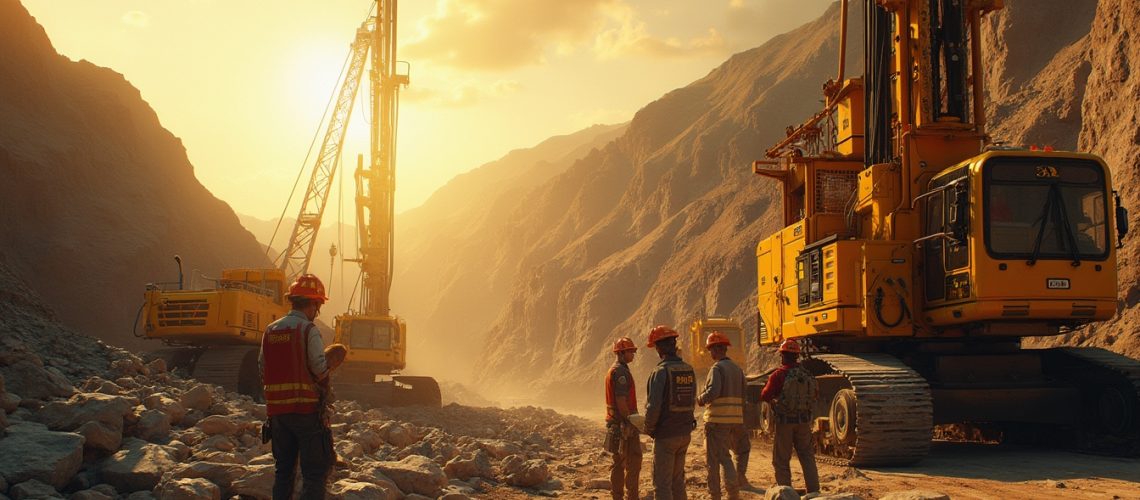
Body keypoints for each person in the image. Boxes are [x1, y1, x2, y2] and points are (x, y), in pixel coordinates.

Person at [259, 274, 334, 500]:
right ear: (313, 304)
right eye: (317, 305)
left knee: (283, 472)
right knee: (314, 473)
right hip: (306, 412)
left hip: (278, 416)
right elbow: (319, 369)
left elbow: (262, 368)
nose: (317, 310)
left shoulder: (270, 331)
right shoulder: (307, 330)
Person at [759, 339, 819, 498]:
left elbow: (765, 395)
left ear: (782, 356)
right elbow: (815, 394)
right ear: (797, 356)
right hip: (804, 422)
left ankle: (786, 493)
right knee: (807, 456)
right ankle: (814, 492)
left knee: (781, 460)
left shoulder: (778, 374)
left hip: (785, 422)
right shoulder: (807, 374)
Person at [644, 325, 697, 500]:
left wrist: (649, 428)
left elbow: (654, 406)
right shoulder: (688, 369)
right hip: (684, 434)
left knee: (662, 485)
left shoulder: (660, 372)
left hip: (666, 436)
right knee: (677, 482)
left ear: (660, 347)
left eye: (656, 347)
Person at [696, 331, 749, 500]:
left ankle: (717, 495)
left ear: (718, 349)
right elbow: (743, 394)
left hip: (717, 421)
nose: (710, 353)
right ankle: (733, 493)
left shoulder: (717, 368)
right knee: (727, 456)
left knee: (715, 461)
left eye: (711, 349)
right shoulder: (737, 369)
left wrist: (700, 399)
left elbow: (713, 392)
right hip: (735, 421)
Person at [604, 337, 643, 500]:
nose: (633, 354)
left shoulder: (614, 370)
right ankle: (631, 496)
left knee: (618, 463)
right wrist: (632, 421)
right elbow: (621, 400)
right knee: (633, 461)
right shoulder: (621, 372)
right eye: (630, 351)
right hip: (623, 425)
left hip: (615, 423)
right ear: (621, 353)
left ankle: (617, 496)